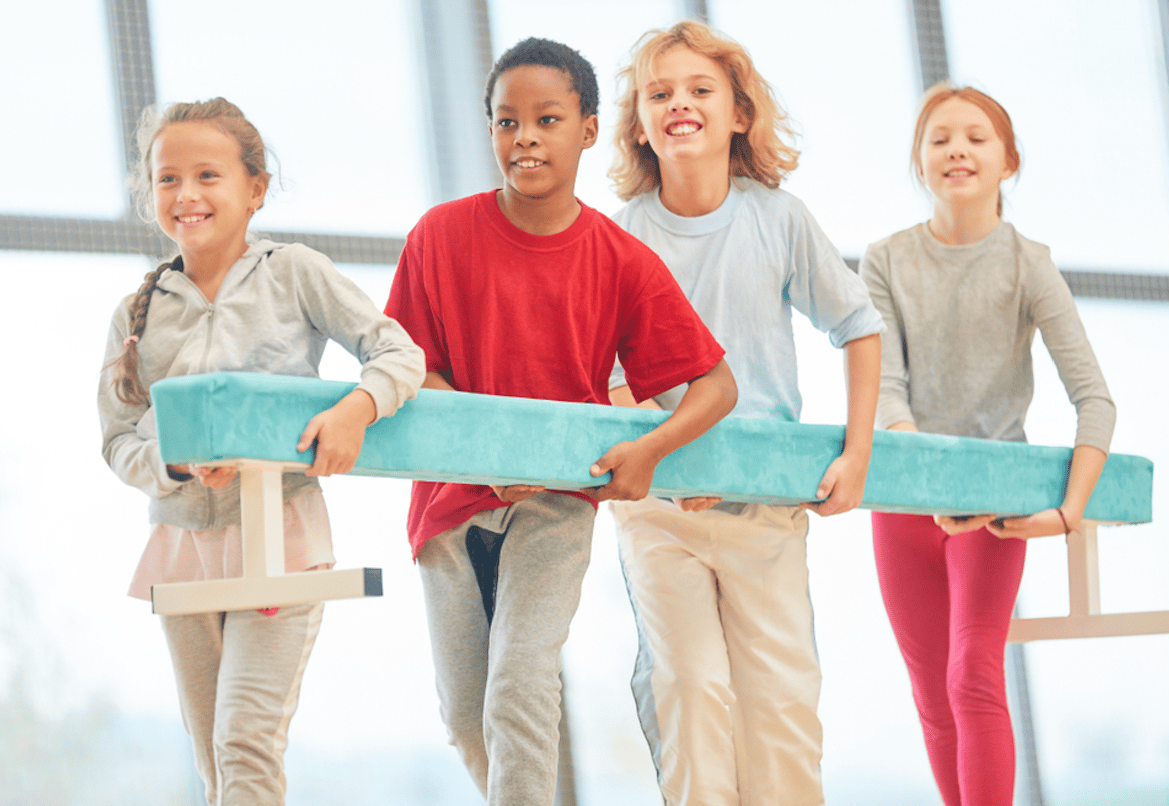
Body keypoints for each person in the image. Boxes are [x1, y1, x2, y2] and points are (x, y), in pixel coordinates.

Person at [383, 36, 737, 806]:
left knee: (518, 685)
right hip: (448, 506)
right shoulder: (437, 237)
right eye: (507, 123)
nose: (526, 138)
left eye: (547, 119)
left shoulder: (619, 259)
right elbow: (413, 367)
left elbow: (715, 386)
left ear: (586, 128)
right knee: (467, 717)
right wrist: (483, 455)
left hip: (556, 508)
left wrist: (650, 451)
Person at [98, 97, 426, 806]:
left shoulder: (295, 271)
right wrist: (175, 464)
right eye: (167, 179)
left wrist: (355, 408)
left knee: (244, 741)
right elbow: (118, 438)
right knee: (214, 758)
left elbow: (398, 352)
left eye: (207, 175)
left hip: (283, 536)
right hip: (181, 548)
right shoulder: (136, 312)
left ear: (255, 189)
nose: (186, 194)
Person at [606, 20, 883, 806]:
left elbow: (859, 327)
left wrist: (855, 454)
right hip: (662, 516)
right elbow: (609, 381)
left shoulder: (778, 219)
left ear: (738, 115)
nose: (679, 104)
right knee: (690, 694)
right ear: (639, 123)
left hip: (765, 514)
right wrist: (673, 457)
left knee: (782, 708)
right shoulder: (621, 239)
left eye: (700, 90)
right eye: (659, 93)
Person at [859, 83, 1115, 806]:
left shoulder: (1029, 263)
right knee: (932, 693)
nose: (957, 150)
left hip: (997, 505)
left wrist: (1064, 515)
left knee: (973, 673)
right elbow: (886, 390)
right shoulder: (883, 260)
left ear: (1010, 162)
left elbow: (1095, 399)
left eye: (976, 137)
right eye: (939, 139)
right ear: (919, 163)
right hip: (905, 498)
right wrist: (924, 475)